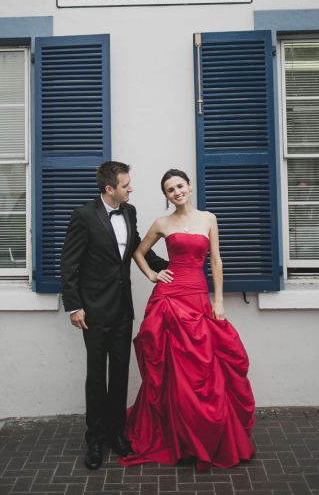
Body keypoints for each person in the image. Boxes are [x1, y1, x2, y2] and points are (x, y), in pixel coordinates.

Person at [119, 169, 255, 470]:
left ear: (189, 186)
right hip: (169, 299)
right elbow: (138, 253)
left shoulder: (209, 218)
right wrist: (154, 274)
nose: (176, 192)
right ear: (166, 195)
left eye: (180, 186)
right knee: (172, 371)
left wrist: (218, 301)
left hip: (198, 297)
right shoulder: (163, 223)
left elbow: (216, 260)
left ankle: (203, 437)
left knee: (203, 369)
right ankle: (178, 438)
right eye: (170, 190)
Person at [61, 161, 169, 470]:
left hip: (123, 309)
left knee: (120, 374)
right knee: (96, 377)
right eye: (126, 185)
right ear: (110, 189)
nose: (131, 188)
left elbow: (137, 247)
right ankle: (94, 440)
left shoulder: (129, 212)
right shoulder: (83, 216)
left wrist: (168, 265)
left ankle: (116, 435)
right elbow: (69, 264)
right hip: (93, 311)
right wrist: (74, 306)